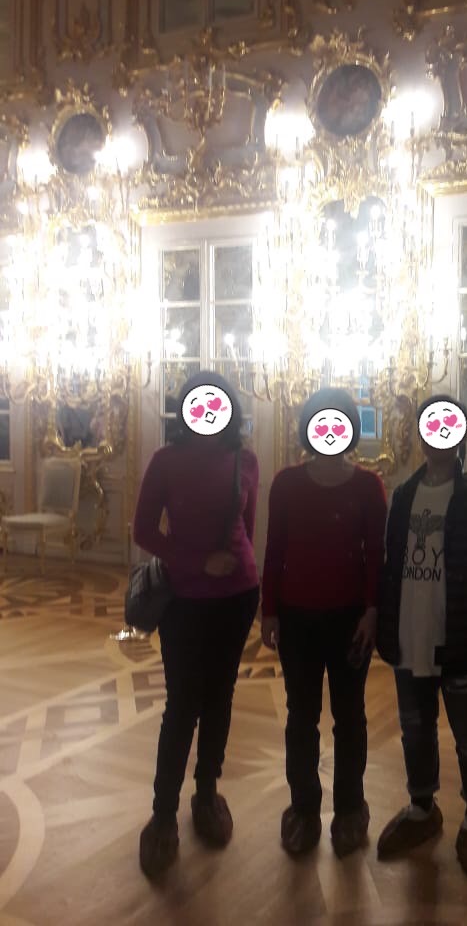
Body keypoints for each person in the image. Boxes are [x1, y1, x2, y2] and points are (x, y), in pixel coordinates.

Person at [133, 370, 260, 878]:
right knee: (183, 704)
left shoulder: (246, 460)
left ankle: (207, 794)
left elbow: (247, 529)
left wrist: (237, 568)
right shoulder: (166, 461)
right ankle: (163, 813)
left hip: (238, 597)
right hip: (185, 598)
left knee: (220, 697)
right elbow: (143, 531)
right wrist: (197, 561)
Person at [376, 395, 467, 873]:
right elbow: (390, 562)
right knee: (415, 727)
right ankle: (421, 807)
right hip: (409, 632)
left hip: (458, 635)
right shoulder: (402, 495)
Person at [261, 388, 387, 858]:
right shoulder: (286, 483)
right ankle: (304, 808)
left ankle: (351, 808)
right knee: (302, 716)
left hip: (351, 621)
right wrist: (269, 610)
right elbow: (274, 549)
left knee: (350, 717)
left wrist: (372, 611)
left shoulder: (368, 486)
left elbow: (376, 556)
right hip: (296, 619)